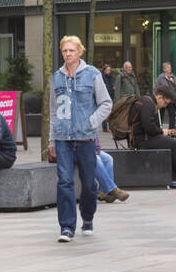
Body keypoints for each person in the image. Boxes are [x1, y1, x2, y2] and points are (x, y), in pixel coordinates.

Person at [49, 36, 113, 242]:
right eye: (65, 51)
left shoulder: (92, 74)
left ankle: (87, 218)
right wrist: (51, 140)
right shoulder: (56, 78)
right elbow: (53, 111)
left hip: (85, 138)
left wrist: (91, 122)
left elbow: (106, 103)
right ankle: (66, 227)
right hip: (62, 138)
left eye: (71, 50)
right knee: (65, 181)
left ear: (79, 52)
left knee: (88, 184)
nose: (68, 54)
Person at [129, 84, 176, 188]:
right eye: (165, 102)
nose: (165, 106)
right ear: (159, 97)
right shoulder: (148, 103)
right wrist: (162, 132)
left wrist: (163, 132)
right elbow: (149, 127)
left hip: (143, 138)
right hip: (142, 140)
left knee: (170, 143)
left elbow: (149, 126)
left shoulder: (148, 101)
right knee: (174, 144)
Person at [93, 138, 130, 203]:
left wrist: (96, 149)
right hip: (77, 150)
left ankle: (103, 191)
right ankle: (112, 190)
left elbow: (95, 138)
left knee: (108, 158)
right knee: (96, 159)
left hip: (90, 148)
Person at [157, 62, 176, 130]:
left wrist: (173, 82)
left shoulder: (173, 76)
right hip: (163, 99)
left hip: (171, 99)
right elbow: (159, 87)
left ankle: (171, 131)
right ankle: (159, 130)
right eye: (168, 67)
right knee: (161, 115)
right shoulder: (161, 77)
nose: (170, 69)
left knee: (172, 115)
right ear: (164, 69)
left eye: (170, 67)